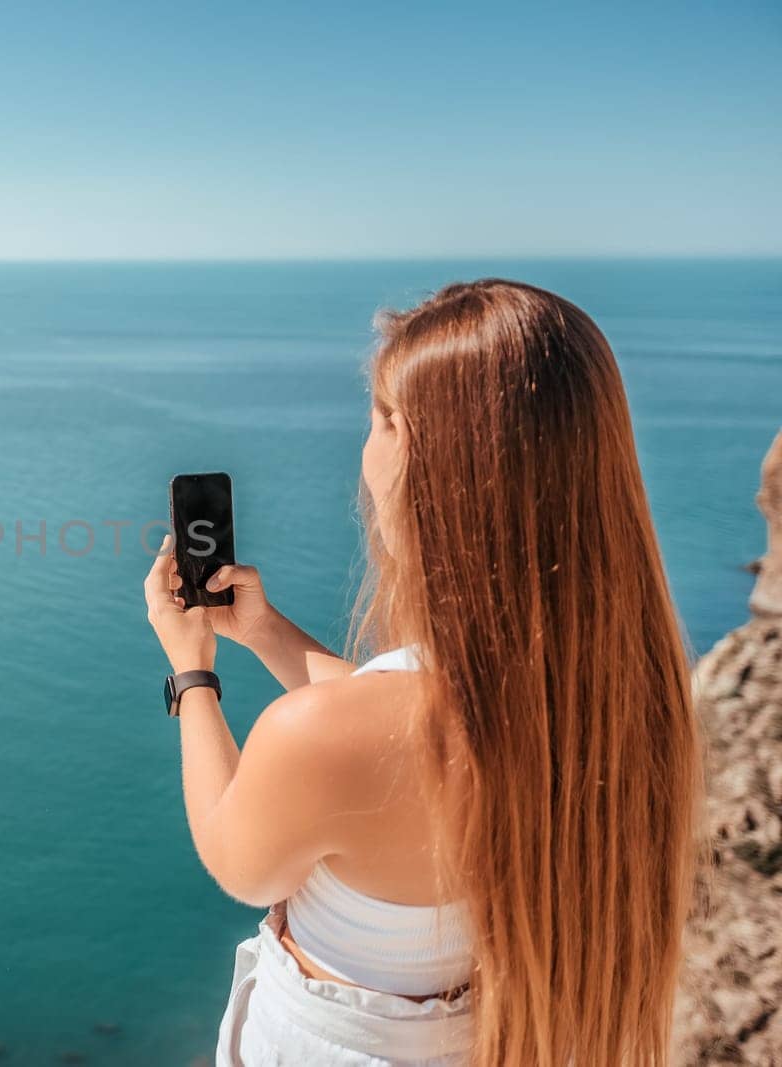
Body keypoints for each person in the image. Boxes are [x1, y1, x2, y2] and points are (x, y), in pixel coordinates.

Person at [143, 280, 703, 1066]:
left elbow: (238, 857)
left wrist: (191, 674)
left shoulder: (325, 735)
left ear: (427, 457)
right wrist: (266, 633)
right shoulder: (617, 695)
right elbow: (411, 729)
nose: (366, 443)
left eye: (381, 416)